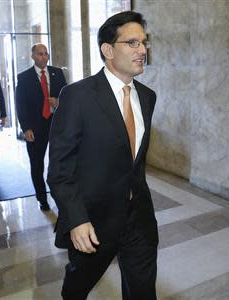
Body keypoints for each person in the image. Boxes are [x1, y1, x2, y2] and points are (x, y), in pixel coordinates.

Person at [47, 11, 158, 299]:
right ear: (108, 50)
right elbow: (60, 169)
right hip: (93, 222)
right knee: (77, 288)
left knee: (143, 291)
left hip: (139, 220)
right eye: (132, 43)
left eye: (144, 43)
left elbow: (133, 161)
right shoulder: (77, 96)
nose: (143, 51)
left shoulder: (147, 97)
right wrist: (76, 219)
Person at [15, 43, 67, 211]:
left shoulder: (57, 73)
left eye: (46, 54)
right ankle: (42, 198)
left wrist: (59, 102)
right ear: (32, 56)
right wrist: (26, 128)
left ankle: (60, 196)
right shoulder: (24, 77)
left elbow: (67, 97)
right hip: (35, 128)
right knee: (37, 164)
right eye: (40, 54)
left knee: (59, 163)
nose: (44, 57)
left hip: (56, 125)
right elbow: (20, 105)